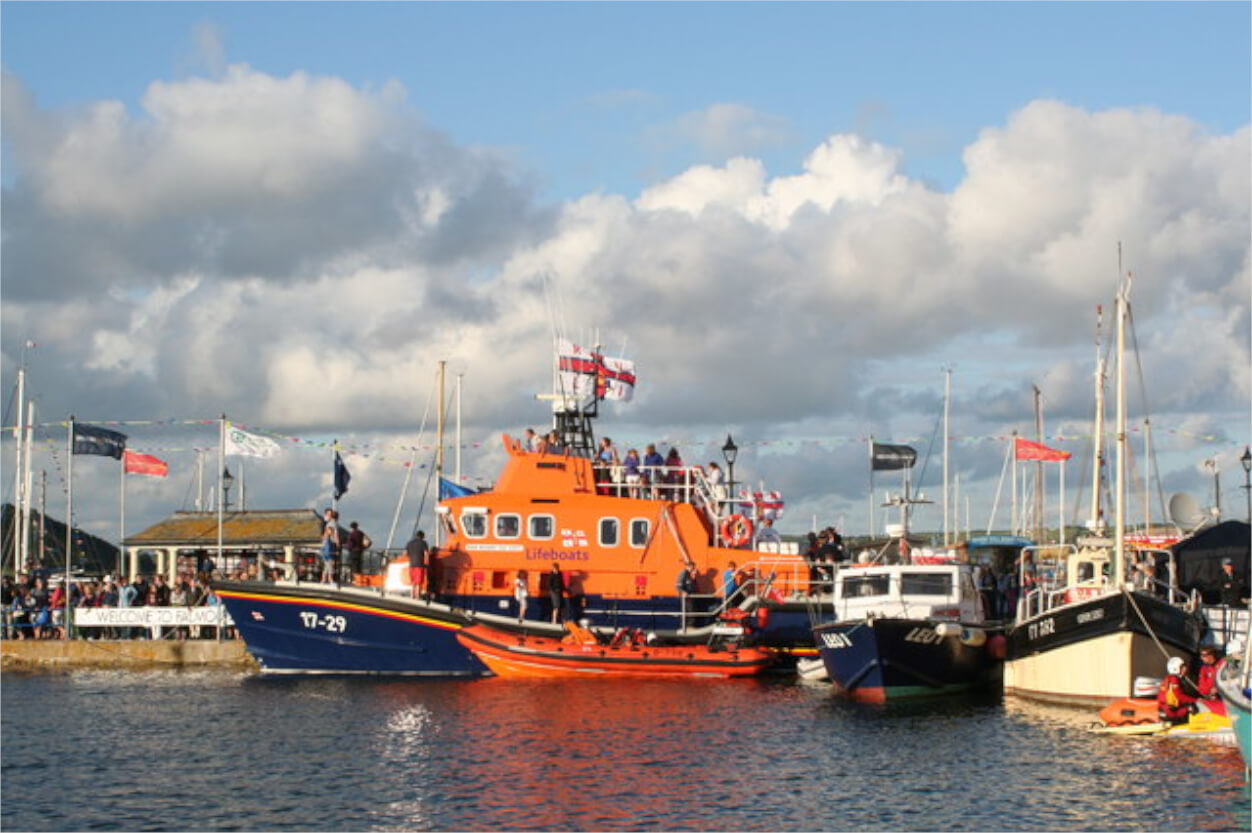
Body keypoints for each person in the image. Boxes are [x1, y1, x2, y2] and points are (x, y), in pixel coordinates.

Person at [1157, 656, 1198, 725]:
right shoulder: (1174, 679)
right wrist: (1195, 700)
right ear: (1175, 669)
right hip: (1172, 713)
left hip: (1166, 711)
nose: (1185, 669)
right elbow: (1179, 696)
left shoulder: (1169, 678)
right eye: (1182, 667)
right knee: (1194, 708)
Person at [406, 530, 430, 600]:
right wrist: (427, 563)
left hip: (411, 564)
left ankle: (412, 596)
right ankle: (417, 596)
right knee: (418, 582)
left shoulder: (409, 543)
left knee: (413, 582)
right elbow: (426, 553)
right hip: (419, 564)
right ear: (422, 536)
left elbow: (406, 553)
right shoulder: (423, 543)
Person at [320, 508, 340, 584]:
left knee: (326, 563)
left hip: (325, 544)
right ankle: (330, 579)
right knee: (330, 562)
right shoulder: (333, 523)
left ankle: (323, 579)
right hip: (329, 545)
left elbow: (325, 533)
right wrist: (337, 542)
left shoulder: (327, 523)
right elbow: (332, 532)